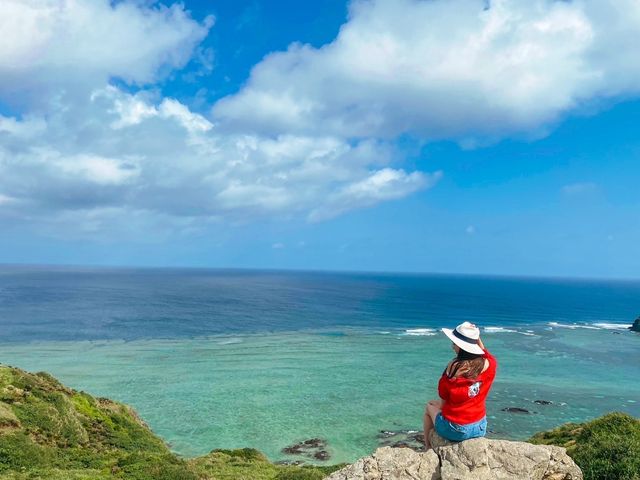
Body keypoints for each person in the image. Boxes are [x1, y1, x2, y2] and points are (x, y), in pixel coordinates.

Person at [423, 321, 497, 449]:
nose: (452, 347)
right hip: (479, 426)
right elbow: (485, 352)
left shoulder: (454, 368)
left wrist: (439, 407)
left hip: (456, 430)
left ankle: (427, 447)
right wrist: (475, 337)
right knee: (437, 406)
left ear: (461, 346)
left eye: (454, 343)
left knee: (429, 407)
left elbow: (444, 397)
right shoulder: (490, 364)